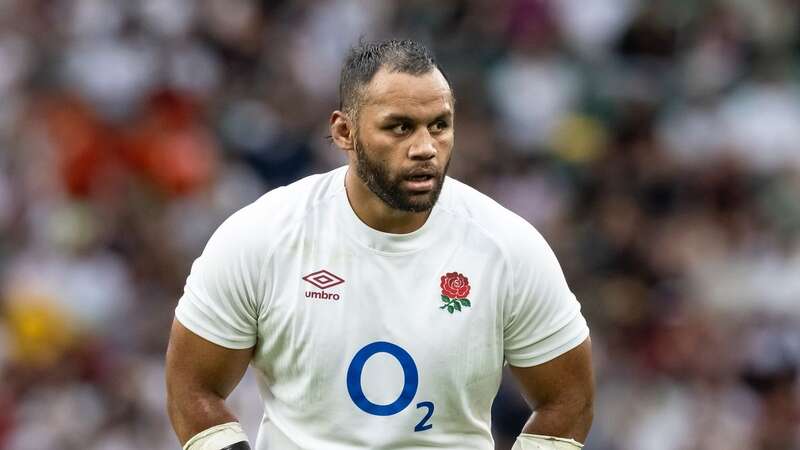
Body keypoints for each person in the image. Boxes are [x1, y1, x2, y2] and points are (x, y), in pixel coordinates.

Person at [165, 39, 594, 450]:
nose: (425, 148)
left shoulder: (509, 248)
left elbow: (569, 399)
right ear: (344, 131)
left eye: (439, 126)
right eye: (400, 127)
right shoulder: (261, 238)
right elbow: (191, 386)